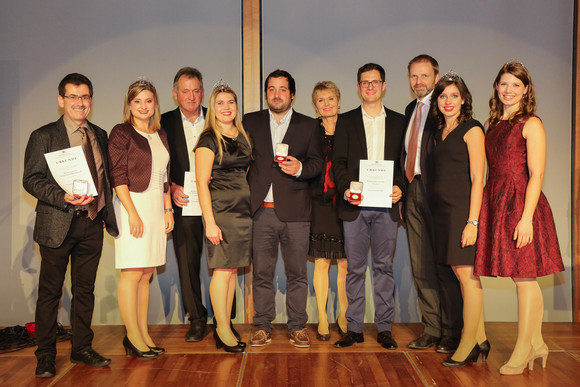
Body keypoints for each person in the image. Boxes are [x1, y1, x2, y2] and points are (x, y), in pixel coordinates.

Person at [23, 73, 118, 378]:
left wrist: (103, 214)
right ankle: (46, 355)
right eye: (74, 97)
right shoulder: (44, 136)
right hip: (57, 224)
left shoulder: (100, 134)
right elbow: (31, 179)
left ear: (92, 100)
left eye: (86, 96)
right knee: (50, 293)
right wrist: (62, 197)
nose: (81, 103)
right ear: (61, 100)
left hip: (91, 224)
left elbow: (106, 180)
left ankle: (81, 348)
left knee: (85, 291)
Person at [475, 61, 564, 375]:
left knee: (525, 278)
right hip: (499, 201)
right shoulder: (494, 123)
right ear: (496, 87)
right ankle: (537, 343)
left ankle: (524, 348)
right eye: (503, 83)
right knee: (522, 278)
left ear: (526, 89)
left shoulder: (531, 123)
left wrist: (526, 219)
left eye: (515, 84)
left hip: (523, 205)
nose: (508, 90)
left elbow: (537, 174)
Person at [245, 69, 324, 348]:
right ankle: (262, 325)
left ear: (292, 94)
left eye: (282, 89)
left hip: (296, 213)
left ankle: (297, 326)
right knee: (262, 274)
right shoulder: (249, 122)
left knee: (297, 274)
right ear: (266, 93)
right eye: (271, 89)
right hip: (260, 212)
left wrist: (300, 167)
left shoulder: (309, 125)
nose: (276, 94)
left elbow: (317, 164)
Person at [333, 63, 405, 350]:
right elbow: (338, 164)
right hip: (356, 207)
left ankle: (385, 328)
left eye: (375, 82)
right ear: (359, 87)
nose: (370, 87)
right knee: (354, 269)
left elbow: (404, 164)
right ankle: (354, 328)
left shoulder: (400, 122)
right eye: (365, 82)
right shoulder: (346, 121)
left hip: (387, 206)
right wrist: (346, 188)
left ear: (384, 86)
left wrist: (400, 185)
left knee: (384, 267)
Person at [401, 55, 463, 353]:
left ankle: (453, 331)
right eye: (414, 77)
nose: (419, 82)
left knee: (446, 265)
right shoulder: (410, 109)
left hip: (439, 194)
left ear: (436, 77)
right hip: (413, 191)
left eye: (424, 76)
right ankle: (432, 328)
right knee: (420, 264)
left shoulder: (445, 110)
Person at [108, 78, 174, 359]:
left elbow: (164, 177)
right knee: (132, 272)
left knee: (146, 273)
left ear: (155, 103)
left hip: (155, 209)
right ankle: (132, 336)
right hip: (131, 205)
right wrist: (132, 213)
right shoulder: (121, 132)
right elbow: (117, 175)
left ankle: (143, 333)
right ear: (129, 105)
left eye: (148, 100)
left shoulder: (160, 134)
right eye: (137, 101)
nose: (143, 106)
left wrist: (168, 209)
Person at [428, 72, 488, 367]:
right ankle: (480, 338)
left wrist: (472, 222)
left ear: (463, 98)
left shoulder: (472, 129)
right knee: (459, 274)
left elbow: (479, 178)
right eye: (443, 96)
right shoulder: (440, 131)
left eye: (454, 95)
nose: (448, 101)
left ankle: (467, 344)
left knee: (468, 276)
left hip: (462, 212)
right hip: (441, 213)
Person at [194, 82, 252, 353]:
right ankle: (221, 328)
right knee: (221, 270)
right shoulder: (207, 139)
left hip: (242, 214)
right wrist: (210, 222)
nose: (226, 107)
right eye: (220, 103)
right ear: (212, 108)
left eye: (231, 102)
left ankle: (225, 325)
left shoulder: (242, 135)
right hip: (221, 213)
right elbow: (201, 183)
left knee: (231, 271)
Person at [161, 68, 210, 342]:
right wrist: (172, 187)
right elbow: (157, 162)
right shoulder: (163, 122)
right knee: (187, 263)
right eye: (185, 91)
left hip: (217, 202)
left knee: (224, 263)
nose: (191, 96)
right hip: (184, 201)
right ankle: (197, 318)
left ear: (202, 92)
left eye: (195, 90)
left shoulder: (217, 116)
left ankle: (225, 319)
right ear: (175, 94)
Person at [308, 81, 348, 341]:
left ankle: (344, 315)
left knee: (345, 262)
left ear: (339, 101)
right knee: (322, 262)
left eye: (331, 99)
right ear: (315, 105)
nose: (326, 104)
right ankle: (322, 318)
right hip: (318, 202)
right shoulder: (309, 130)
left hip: (345, 200)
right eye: (321, 100)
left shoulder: (350, 128)